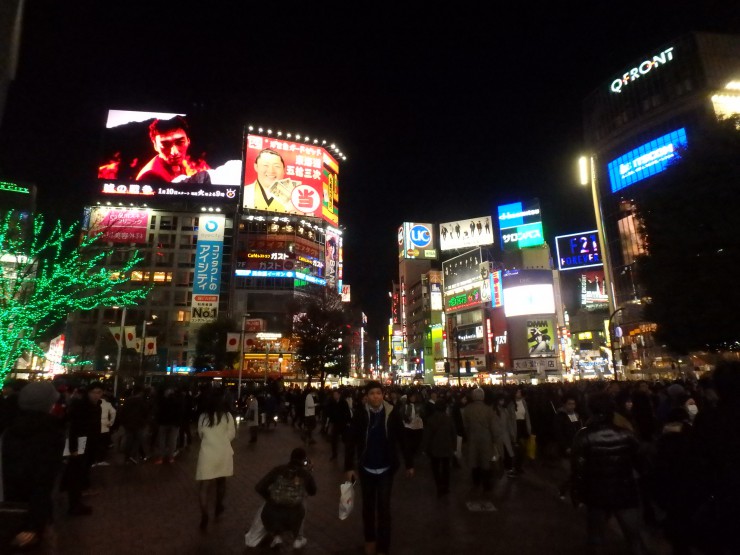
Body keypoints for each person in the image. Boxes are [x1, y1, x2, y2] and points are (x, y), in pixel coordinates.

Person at [571, 393, 648, 554]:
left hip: (596, 492)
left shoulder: (584, 436)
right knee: (633, 538)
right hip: (625, 491)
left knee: (596, 539)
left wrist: (577, 493)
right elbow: (642, 465)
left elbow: (578, 469)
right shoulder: (627, 434)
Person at [344, 381, 414, 555]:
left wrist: (409, 463)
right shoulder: (360, 414)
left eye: (378, 393)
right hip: (366, 467)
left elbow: (402, 438)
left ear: (383, 395)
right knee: (368, 508)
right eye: (372, 393)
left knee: (384, 509)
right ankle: (370, 540)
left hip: (386, 468)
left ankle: (383, 546)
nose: (376, 396)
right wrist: (349, 466)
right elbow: (351, 440)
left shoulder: (392, 413)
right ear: (366, 396)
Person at [1, 381, 65, 551]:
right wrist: (34, 524)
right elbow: (44, 481)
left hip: (8, 505)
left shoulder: (8, 429)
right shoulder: (51, 434)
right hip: (33, 512)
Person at [255, 447, 316, 550]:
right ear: (304, 460)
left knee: (276, 507)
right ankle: (298, 538)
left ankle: (277, 536)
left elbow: (259, 487)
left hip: (271, 514)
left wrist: (270, 498)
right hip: (293, 516)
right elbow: (312, 491)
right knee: (302, 501)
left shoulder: (278, 470)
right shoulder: (304, 473)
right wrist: (309, 472)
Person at [195, 388, 236, 530]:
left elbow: (200, 434)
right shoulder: (227, 416)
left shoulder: (203, 417)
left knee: (204, 486)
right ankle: (218, 506)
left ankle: (204, 514)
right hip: (223, 452)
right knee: (221, 482)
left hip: (207, 453)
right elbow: (232, 434)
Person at [62, 382, 104, 516]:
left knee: (81, 468)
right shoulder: (82, 406)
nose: (97, 395)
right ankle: (74, 503)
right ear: (89, 392)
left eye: (99, 392)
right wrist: (73, 447)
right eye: (95, 392)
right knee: (76, 470)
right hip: (80, 441)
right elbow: (74, 427)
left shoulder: (95, 406)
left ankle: (76, 499)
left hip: (88, 441)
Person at [136, 115, 210, 184]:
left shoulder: (184, 164)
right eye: (165, 145)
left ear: (188, 141)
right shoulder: (149, 176)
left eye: (180, 142)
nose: (174, 152)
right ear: (155, 145)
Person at [462, 388, 498, 496]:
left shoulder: (467, 409)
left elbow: (465, 425)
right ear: (483, 397)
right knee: (486, 462)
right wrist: (495, 440)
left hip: (473, 437)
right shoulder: (488, 410)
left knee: (474, 461)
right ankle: (487, 486)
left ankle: (476, 483)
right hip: (486, 438)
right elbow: (494, 427)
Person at [422, 397, 456, 497]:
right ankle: (446, 486)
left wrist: (425, 448)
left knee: (435, 468)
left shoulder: (431, 419)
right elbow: (453, 434)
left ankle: (439, 485)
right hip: (447, 446)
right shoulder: (449, 419)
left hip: (434, 448)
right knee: (446, 468)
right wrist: (454, 446)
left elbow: (427, 435)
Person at [552, 393, 583, 499]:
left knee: (577, 472)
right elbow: (558, 433)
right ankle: (562, 490)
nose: (572, 406)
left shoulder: (576, 415)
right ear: (564, 405)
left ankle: (576, 494)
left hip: (576, 447)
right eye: (569, 404)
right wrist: (565, 447)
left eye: (573, 404)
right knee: (568, 472)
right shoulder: (560, 416)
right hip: (566, 449)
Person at [507, 386, 532, 475]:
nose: (519, 393)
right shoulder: (511, 405)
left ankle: (519, 466)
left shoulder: (524, 402)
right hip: (515, 427)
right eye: (517, 392)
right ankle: (516, 467)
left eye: (520, 392)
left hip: (523, 426)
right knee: (518, 449)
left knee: (523, 448)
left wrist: (529, 427)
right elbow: (509, 419)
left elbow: (527, 415)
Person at [94, 389, 117, 466]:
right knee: (103, 443)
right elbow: (113, 412)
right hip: (104, 426)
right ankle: (101, 460)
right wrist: (111, 422)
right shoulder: (107, 404)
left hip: (94, 426)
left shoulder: (93, 403)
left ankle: (94, 460)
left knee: (95, 443)